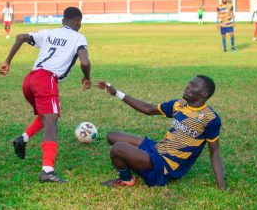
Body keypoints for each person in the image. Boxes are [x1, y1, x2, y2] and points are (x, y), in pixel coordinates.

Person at [0, 7, 91, 183]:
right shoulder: (78, 37)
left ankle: (22, 139)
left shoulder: (49, 33)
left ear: (63, 20)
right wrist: (87, 77)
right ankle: (47, 170)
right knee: (51, 124)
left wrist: (7, 62)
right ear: (79, 22)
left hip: (30, 79)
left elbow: (21, 37)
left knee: (48, 115)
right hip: (46, 80)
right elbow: (85, 61)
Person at [96, 75, 225, 189]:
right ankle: (137, 160)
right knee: (112, 136)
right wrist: (116, 93)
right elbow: (148, 109)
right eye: (189, 83)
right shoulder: (179, 104)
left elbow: (215, 153)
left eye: (194, 85)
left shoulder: (210, 119)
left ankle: (127, 180)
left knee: (117, 148)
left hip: (164, 166)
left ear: (204, 94)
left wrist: (221, 187)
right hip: (157, 149)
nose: (188, 87)